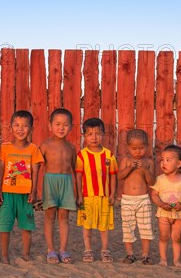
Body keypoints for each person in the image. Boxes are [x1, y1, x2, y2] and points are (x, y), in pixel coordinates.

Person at [0, 110, 44, 264]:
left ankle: (26, 253)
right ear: (11, 127)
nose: (20, 129)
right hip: (7, 192)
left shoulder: (33, 149)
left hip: (25, 194)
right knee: (5, 225)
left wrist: (34, 191)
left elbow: (36, 171)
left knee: (27, 225)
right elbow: (0, 170)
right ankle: (4, 255)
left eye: (25, 126)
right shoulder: (5, 148)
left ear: (31, 129)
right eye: (17, 125)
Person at [75, 118, 118, 263]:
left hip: (104, 197)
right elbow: (78, 176)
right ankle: (87, 250)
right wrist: (79, 195)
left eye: (98, 134)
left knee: (103, 225)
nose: (94, 137)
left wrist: (112, 193)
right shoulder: (81, 155)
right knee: (87, 226)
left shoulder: (109, 155)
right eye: (90, 134)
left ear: (103, 135)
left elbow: (113, 176)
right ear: (84, 136)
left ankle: (105, 250)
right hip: (87, 197)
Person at [39, 108, 77, 264]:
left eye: (65, 125)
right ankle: (51, 250)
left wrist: (78, 193)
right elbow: (36, 168)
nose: (61, 128)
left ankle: (63, 249)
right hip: (50, 182)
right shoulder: (45, 145)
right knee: (49, 217)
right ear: (50, 126)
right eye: (57, 124)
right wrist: (35, 189)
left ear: (71, 127)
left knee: (64, 217)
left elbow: (75, 170)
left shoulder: (71, 148)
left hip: (66, 183)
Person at [117, 129, 156, 265]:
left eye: (141, 148)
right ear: (128, 147)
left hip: (143, 199)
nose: (138, 151)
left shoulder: (149, 162)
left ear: (147, 146)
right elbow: (120, 176)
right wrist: (129, 168)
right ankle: (130, 254)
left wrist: (145, 170)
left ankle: (145, 255)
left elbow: (152, 182)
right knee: (128, 227)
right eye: (134, 148)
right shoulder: (126, 160)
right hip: (127, 199)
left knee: (145, 227)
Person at [150, 145, 181, 267]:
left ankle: (176, 260)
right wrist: (161, 204)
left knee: (176, 238)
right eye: (162, 159)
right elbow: (154, 195)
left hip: (179, 214)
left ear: (179, 164)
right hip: (164, 213)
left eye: (168, 160)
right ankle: (163, 259)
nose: (163, 163)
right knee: (164, 236)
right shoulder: (160, 179)